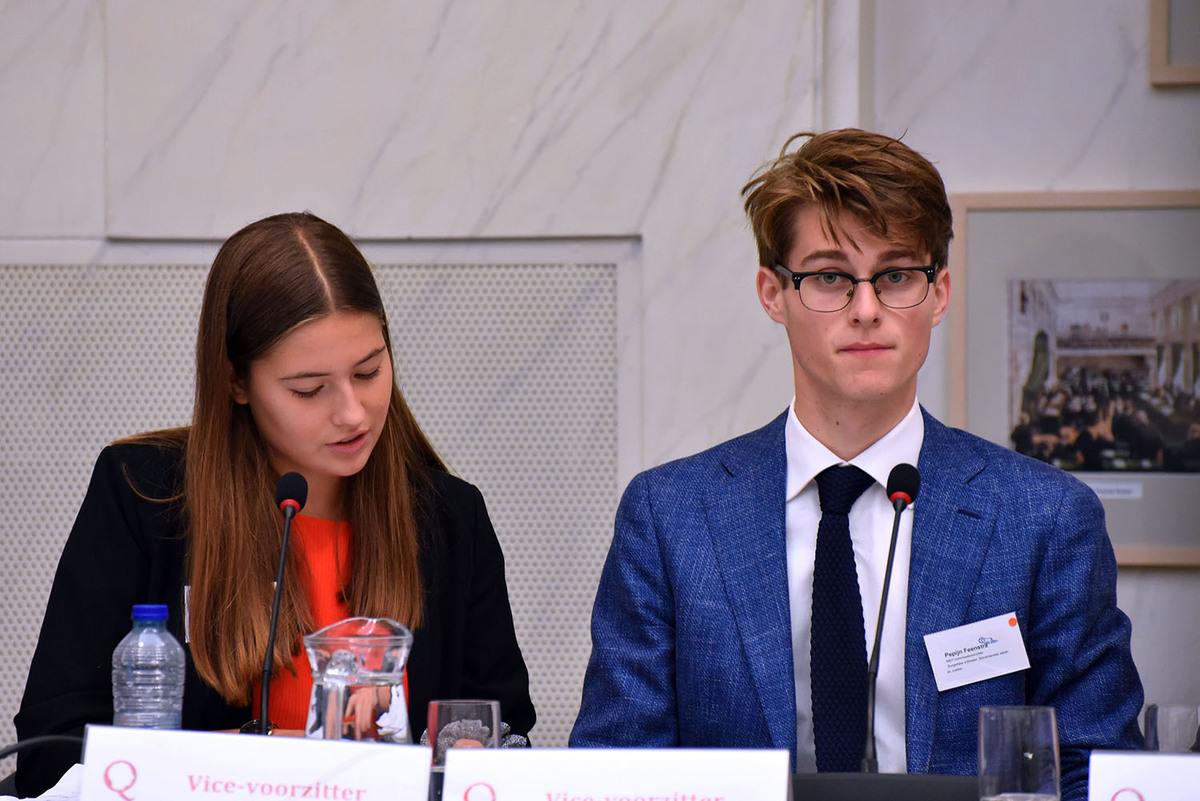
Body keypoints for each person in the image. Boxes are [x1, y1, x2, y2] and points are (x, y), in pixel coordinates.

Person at [569, 129, 1143, 800]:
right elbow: (615, 770)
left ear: (939, 292)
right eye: (831, 277)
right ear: (772, 293)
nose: (866, 310)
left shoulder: (1044, 518)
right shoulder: (670, 517)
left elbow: (1093, 770)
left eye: (896, 275)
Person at [15, 212, 535, 796]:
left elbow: (507, 733)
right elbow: (50, 749)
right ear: (237, 382)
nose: (352, 413)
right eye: (309, 389)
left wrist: (474, 755)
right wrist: (263, 765)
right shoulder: (146, 493)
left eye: (369, 371)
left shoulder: (447, 519)